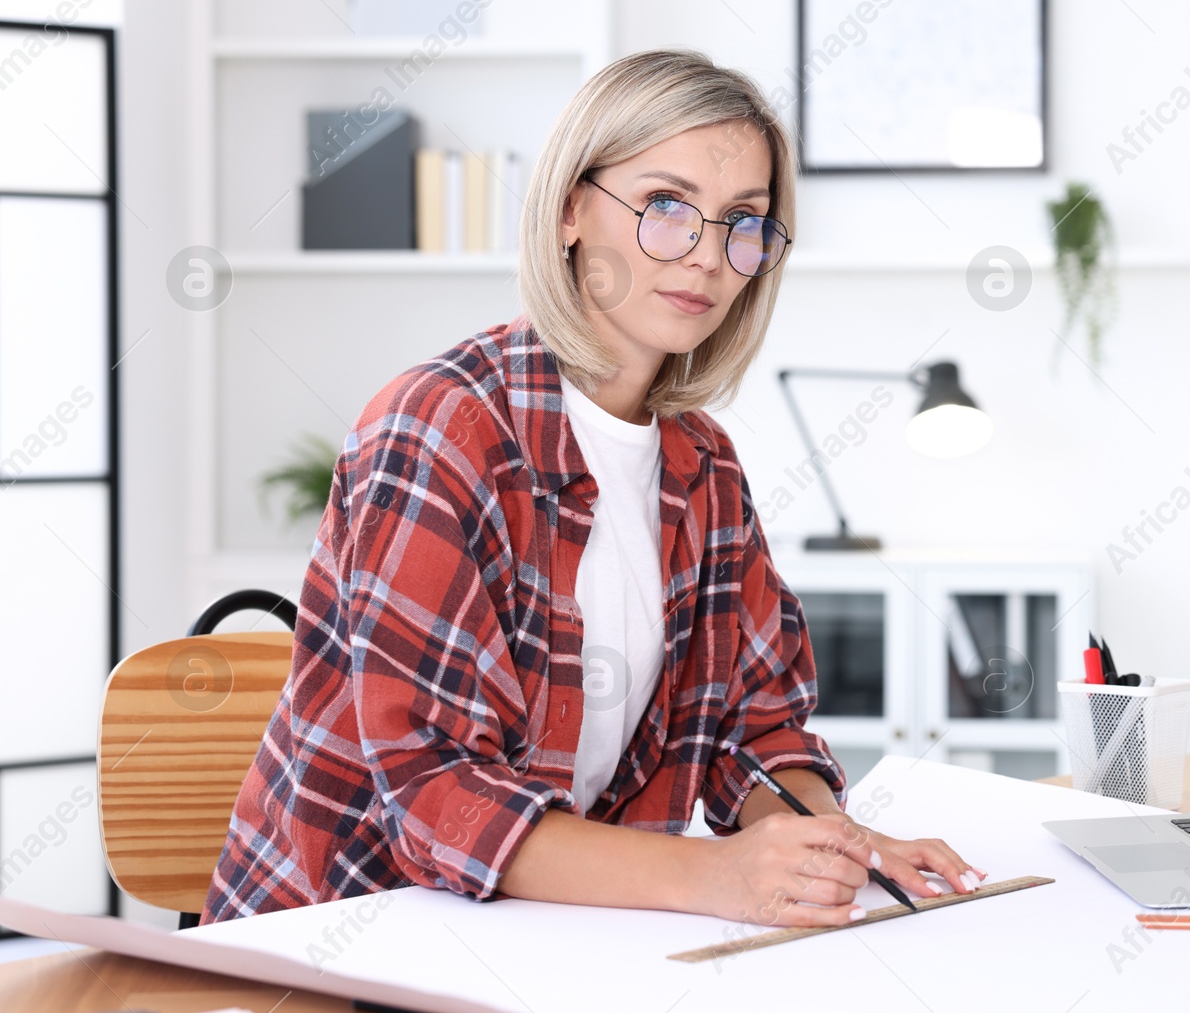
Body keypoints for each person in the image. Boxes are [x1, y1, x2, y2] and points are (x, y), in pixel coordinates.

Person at [203, 49, 982, 928]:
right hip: (340, 947)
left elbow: (757, 732)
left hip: (549, 945)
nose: (705, 255)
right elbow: (438, 797)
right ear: (573, 208)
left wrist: (836, 842)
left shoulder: (706, 468)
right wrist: (717, 876)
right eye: (664, 206)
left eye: (742, 221)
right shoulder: (443, 429)